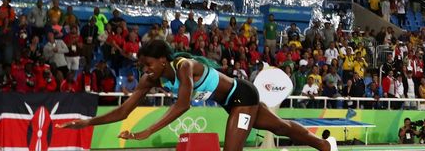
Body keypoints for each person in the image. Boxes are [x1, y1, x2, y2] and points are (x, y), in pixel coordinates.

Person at [58, 40, 331, 151]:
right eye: (142, 65)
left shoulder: (184, 66)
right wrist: (88, 122)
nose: (145, 69)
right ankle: (325, 146)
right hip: (230, 103)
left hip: (242, 96)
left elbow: (183, 106)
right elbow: (123, 111)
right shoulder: (148, 79)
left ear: (163, 60)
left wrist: (147, 131)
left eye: (149, 64)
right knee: (281, 127)